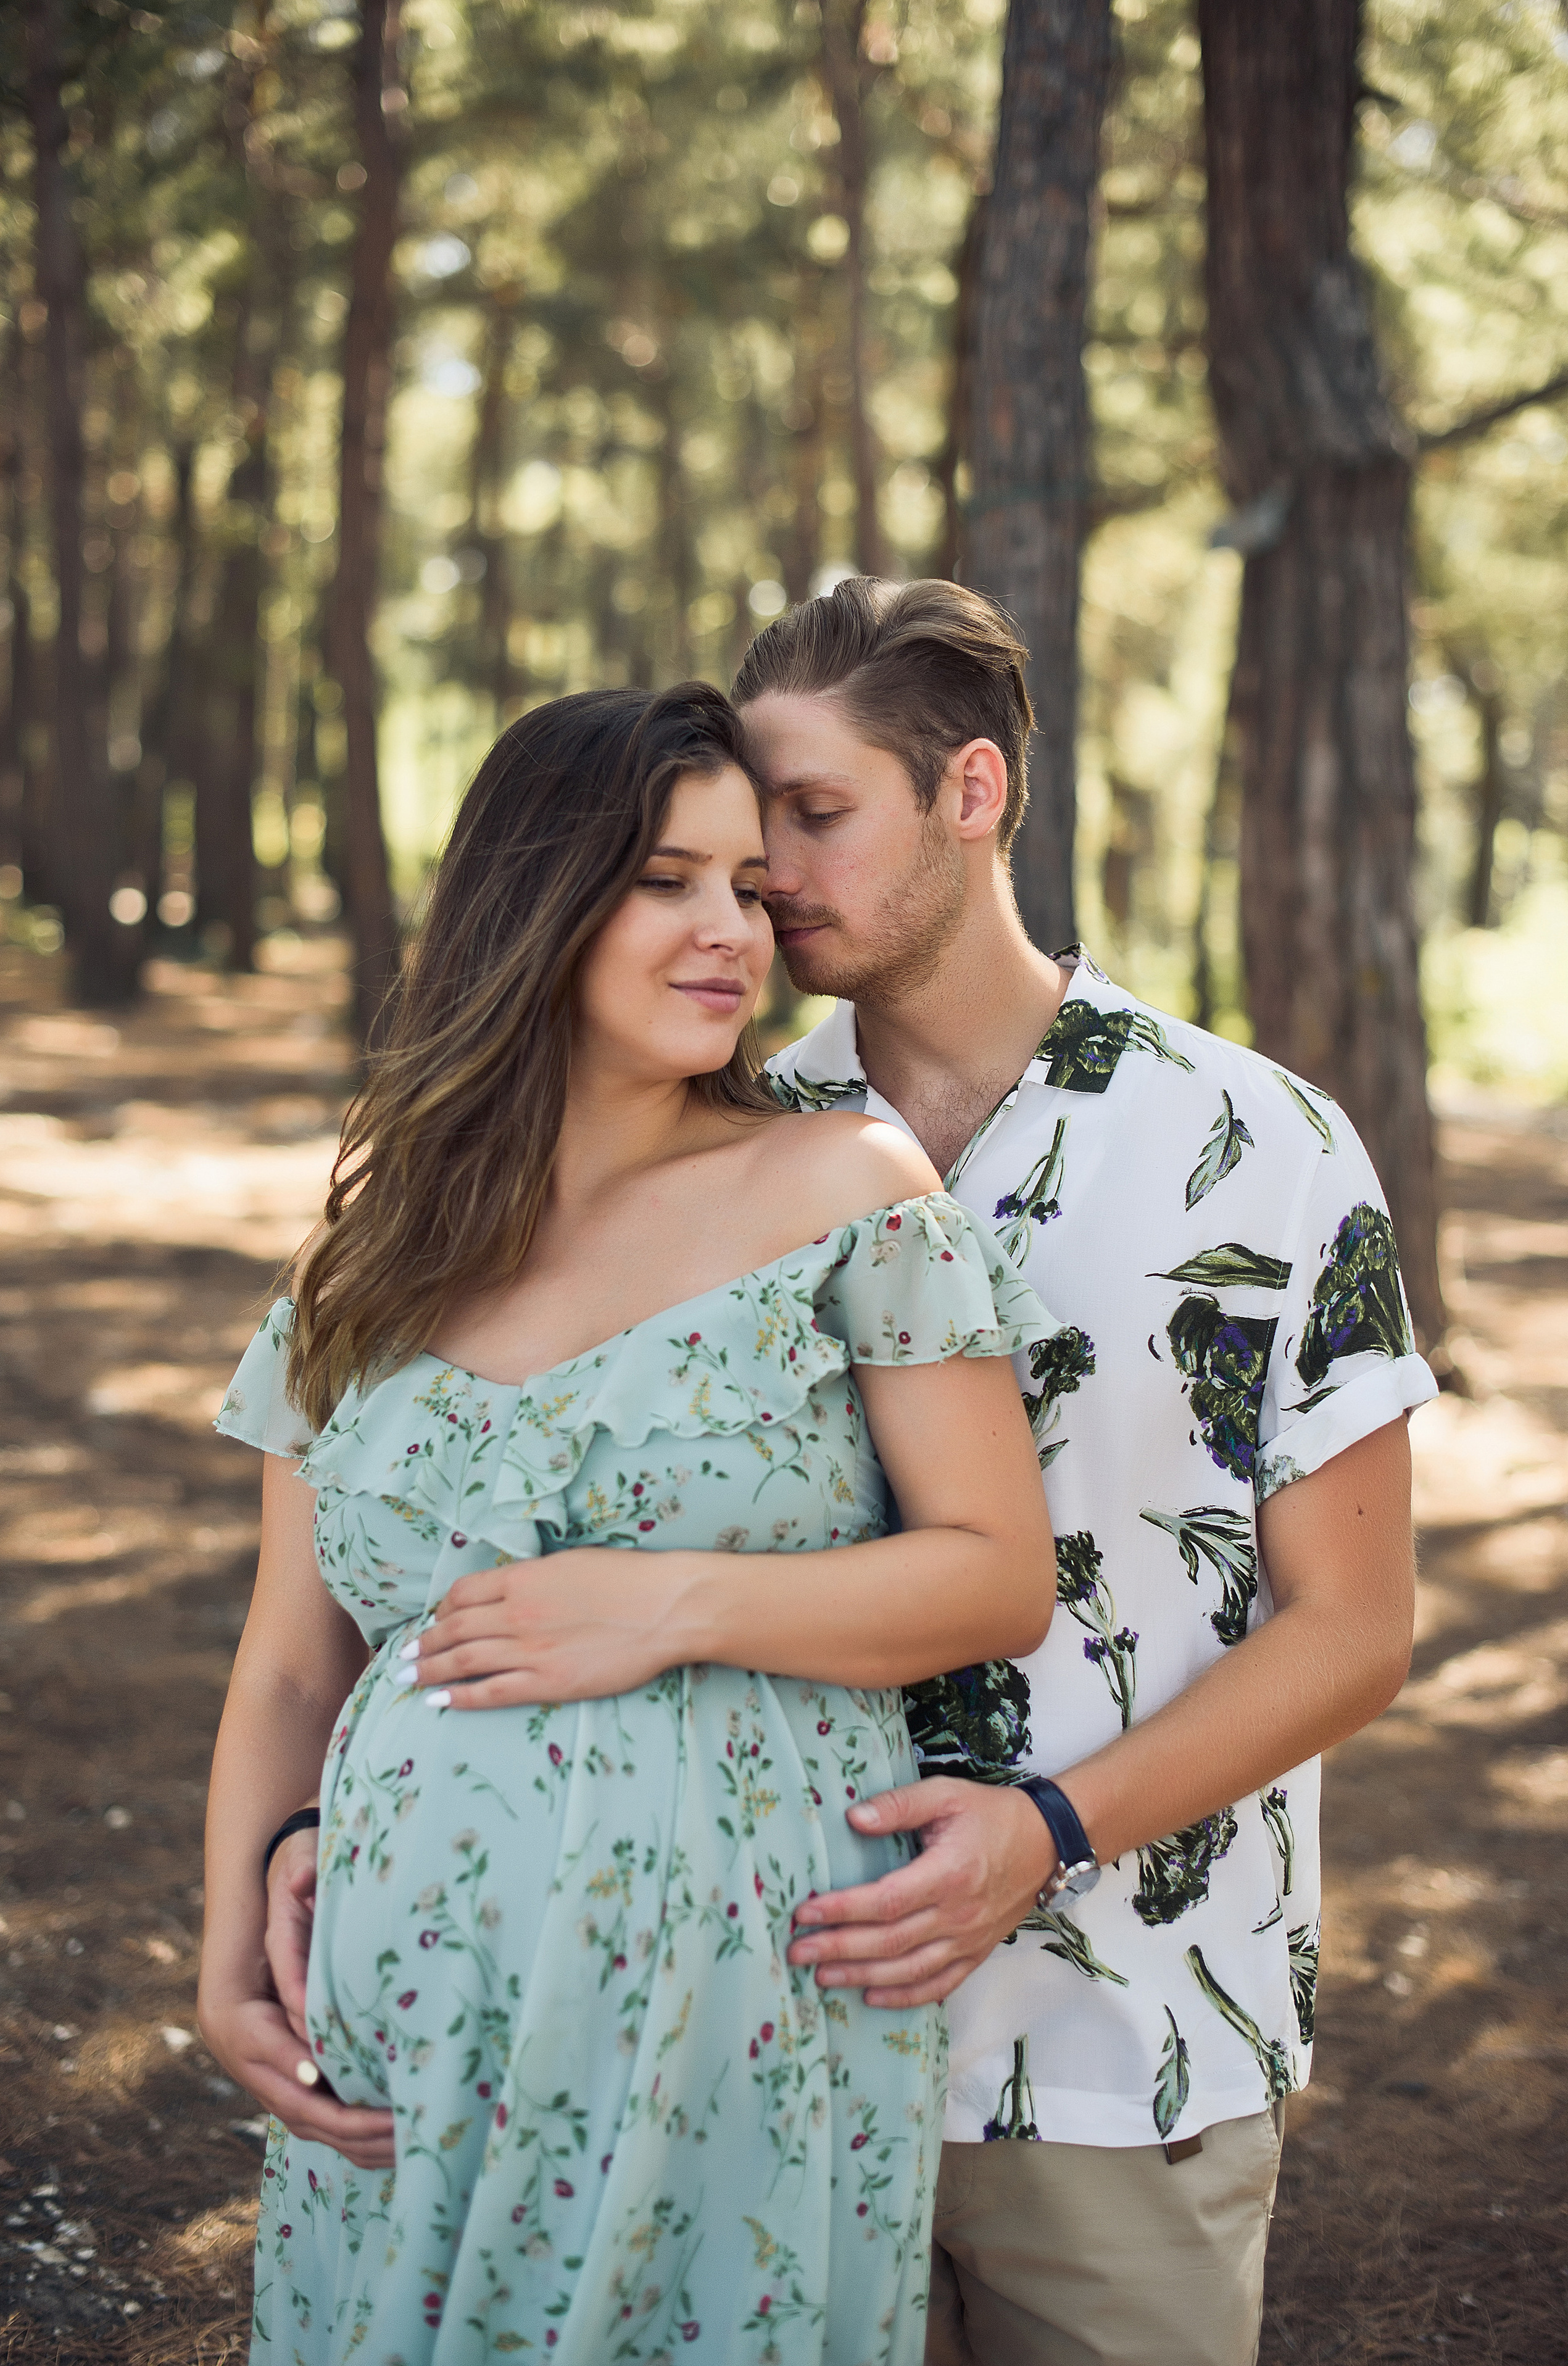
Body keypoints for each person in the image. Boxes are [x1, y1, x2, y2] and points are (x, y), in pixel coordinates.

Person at [196, 682, 1058, 2365]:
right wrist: (230, 1930)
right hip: (412, 2000)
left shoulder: (845, 1188)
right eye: (667, 878)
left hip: (729, 2006)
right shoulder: (362, 1257)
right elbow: (297, 1659)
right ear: (538, 899)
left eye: (749, 885)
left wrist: (676, 1602)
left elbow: (996, 1570)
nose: (732, 927)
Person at [726, 577, 1437, 2366]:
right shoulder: (722, 1150)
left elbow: (1354, 1626)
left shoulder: (1262, 1148)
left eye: (817, 814)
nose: (770, 871)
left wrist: (1044, 1834)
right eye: (755, 825)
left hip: (1137, 2050)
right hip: (773, 2057)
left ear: (972, 792)